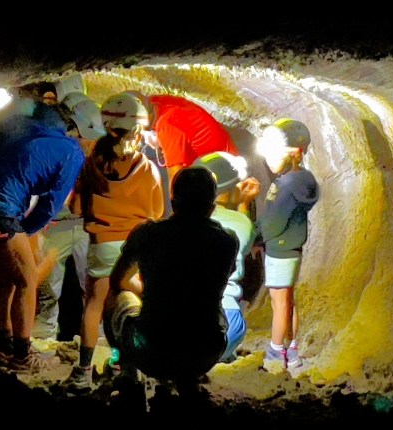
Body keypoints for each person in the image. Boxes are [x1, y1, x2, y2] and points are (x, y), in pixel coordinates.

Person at [0, 102, 85, 371]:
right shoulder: (73, 151)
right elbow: (51, 204)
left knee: (7, 279)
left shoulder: (32, 134)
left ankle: (4, 351)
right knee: (27, 280)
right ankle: (23, 357)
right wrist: (26, 231)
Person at [99, 167, 239, 393]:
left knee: (117, 295)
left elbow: (119, 280)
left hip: (153, 351)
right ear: (212, 207)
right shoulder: (227, 240)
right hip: (207, 351)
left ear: (173, 202)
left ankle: (127, 372)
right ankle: (188, 381)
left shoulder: (148, 234)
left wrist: (148, 291)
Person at [64, 119, 165, 391]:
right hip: (134, 245)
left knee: (94, 305)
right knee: (129, 302)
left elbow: (75, 207)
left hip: (102, 242)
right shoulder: (148, 169)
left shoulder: (91, 165)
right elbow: (156, 214)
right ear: (138, 132)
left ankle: (83, 371)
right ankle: (124, 362)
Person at [100, 92, 257, 216]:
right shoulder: (155, 102)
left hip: (223, 183)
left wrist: (176, 222)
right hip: (223, 162)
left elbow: (177, 182)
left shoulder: (167, 127)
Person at [32, 92, 106, 340]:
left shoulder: (97, 155)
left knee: (94, 286)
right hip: (55, 225)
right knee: (48, 288)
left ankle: (99, 338)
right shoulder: (59, 150)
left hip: (85, 225)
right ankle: (44, 335)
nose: (91, 143)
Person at [255, 119, 320, 375]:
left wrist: (255, 238)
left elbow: (272, 221)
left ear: (295, 153)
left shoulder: (284, 186)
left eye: (275, 152)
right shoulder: (300, 181)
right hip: (291, 247)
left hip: (280, 250)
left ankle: (275, 352)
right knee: (288, 301)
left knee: (279, 303)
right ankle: (292, 351)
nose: (269, 159)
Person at [192, 152, 260, 363]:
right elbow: (244, 240)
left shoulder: (181, 223)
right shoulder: (240, 222)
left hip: (184, 318)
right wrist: (244, 203)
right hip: (227, 320)